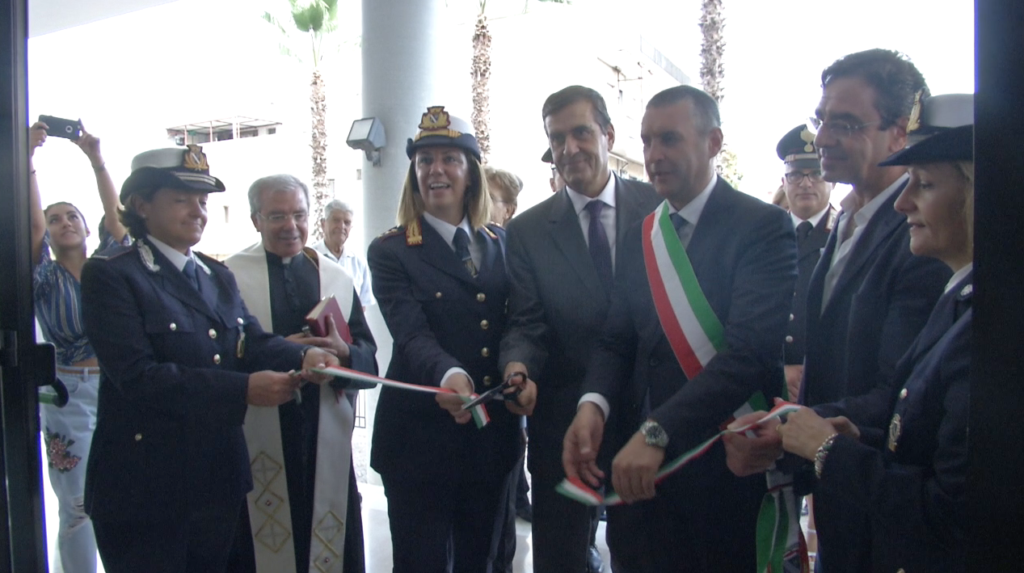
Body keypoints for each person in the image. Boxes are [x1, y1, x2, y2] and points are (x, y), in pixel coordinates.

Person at [722, 52, 955, 570]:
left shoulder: (924, 238)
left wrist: (793, 427)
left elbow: (898, 393)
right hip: (838, 493)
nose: (824, 137)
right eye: (820, 119)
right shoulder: (848, 221)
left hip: (885, 505)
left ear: (901, 132)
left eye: (845, 124)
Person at [562, 85, 797, 572]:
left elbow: (748, 355)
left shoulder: (764, 227)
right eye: (647, 142)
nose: (653, 156)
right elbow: (617, 340)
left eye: (669, 140)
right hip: (641, 485)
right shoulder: (641, 235)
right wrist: (593, 405)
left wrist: (657, 433)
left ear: (713, 142)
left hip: (722, 475)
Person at [79, 145, 339, 572]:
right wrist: (244, 389)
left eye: (203, 202)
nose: (198, 212)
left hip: (216, 479)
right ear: (141, 204)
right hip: (145, 488)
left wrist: (306, 353)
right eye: (182, 200)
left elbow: (250, 341)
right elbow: (138, 377)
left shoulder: (213, 274)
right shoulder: (112, 274)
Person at [501, 85, 660, 573]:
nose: (568, 149)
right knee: (562, 557)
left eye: (581, 133)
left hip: (649, 418)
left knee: (644, 553)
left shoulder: (659, 207)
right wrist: (518, 365)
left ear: (608, 134)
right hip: (563, 425)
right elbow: (526, 321)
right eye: (557, 138)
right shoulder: (526, 231)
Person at [366, 107, 530, 573]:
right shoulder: (391, 251)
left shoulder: (500, 243)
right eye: (424, 161)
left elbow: (518, 320)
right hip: (419, 442)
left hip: (490, 439)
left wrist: (519, 366)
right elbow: (410, 331)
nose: (435, 169)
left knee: (482, 558)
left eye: (449, 159)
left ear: (471, 173)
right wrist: (450, 373)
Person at [224, 174, 378, 573]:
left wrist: (344, 356)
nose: (290, 226)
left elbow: (369, 362)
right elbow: (221, 360)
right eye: (276, 216)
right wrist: (283, 350)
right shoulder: (229, 278)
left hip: (322, 433)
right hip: (260, 433)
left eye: (298, 214)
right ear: (255, 219)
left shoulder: (337, 279)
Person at [29, 121, 127, 573]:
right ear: (47, 233)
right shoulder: (44, 277)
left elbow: (117, 217)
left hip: (114, 388)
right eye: (55, 219)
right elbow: (30, 233)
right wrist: (28, 160)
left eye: (72, 216)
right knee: (76, 505)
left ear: (87, 228)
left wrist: (96, 160)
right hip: (66, 395)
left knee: (119, 494)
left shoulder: (106, 265)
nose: (64, 223)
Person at [775, 124, 837, 400]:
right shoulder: (765, 236)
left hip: (825, 384)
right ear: (784, 181)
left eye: (816, 174)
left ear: (832, 180)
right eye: (796, 175)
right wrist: (778, 368)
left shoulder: (849, 235)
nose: (806, 183)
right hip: (770, 380)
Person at [312, 200, 375, 309]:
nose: (341, 226)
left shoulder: (358, 261)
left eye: (347, 222)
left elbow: (362, 305)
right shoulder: (310, 257)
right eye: (336, 220)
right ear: (323, 224)